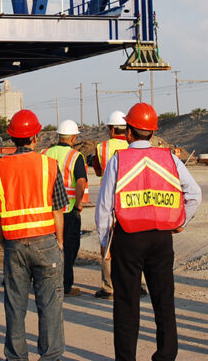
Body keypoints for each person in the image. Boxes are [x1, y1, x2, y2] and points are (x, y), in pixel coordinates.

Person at [95, 102, 202, 361]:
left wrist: (105, 243)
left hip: (128, 238)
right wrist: (179, 222)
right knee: (164, 299)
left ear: (128, 132)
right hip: (161, 238)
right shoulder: (170, 158)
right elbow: (194, 194)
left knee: (126, 304)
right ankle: (166, 355)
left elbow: (105, 208)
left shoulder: (119, 160)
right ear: (153, 133)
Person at [0, 109, 67, 361]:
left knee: (15, 305)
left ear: (12, 138)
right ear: (36, 137)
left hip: (14, 246)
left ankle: (17, 357)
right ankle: (50, 357)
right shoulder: (49, 165)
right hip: (46, 242)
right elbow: (58, 210)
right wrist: (60, 242)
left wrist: (2, 239)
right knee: (50, 304)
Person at [44, 119, 88, 297]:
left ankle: (47, 282)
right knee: (69, 249)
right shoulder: (75, 156)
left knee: (49, 248)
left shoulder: (45, 152)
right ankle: (66, 286)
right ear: (73, 138)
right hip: (68, 209)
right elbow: (81, 181)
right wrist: (78, 203)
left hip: (48, 209)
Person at [91, 110, 128, 298]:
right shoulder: (133, 144)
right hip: (131, 200)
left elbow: (98, 171)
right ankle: (138, 285)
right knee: (134, 243)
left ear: (111, 129)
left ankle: (109, 287)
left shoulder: (101, 147)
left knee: (107, 242)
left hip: (109, 199)